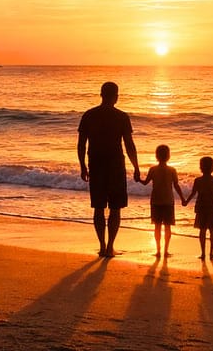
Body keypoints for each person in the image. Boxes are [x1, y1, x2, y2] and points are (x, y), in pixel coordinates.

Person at [77, 81, 140, 257]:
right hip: (115, 166)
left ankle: (102, 246)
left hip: (95, 164)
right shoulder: (121, 116)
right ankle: (110, 246)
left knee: (98, 207)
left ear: (101, 94)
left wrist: (82, 166)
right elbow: (129, 145)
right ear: (116, 97)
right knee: (115, 207)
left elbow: (81, 144)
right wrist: (136, 166)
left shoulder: (89, 115)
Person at [140, 144, 185, 258]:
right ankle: (166, 251)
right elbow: (176, 186)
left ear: (156, 156)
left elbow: (145, 183)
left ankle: (158, 250)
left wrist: (138, 179)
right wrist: (183, 198)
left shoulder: (153, 169)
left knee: (157, 226)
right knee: (168, 226)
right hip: (168, 201)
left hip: (156, 201)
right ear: (168, 156)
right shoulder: (172, 170)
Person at [182, 155, 213, 260]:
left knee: (202, 230)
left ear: (201, 168)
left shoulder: (198, 180)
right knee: (212, 230)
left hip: (201, 207)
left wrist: (186, 201)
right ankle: (211, 253)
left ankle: (203, 253)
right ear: (212, 168)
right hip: (212, 207)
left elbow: (193, 194)